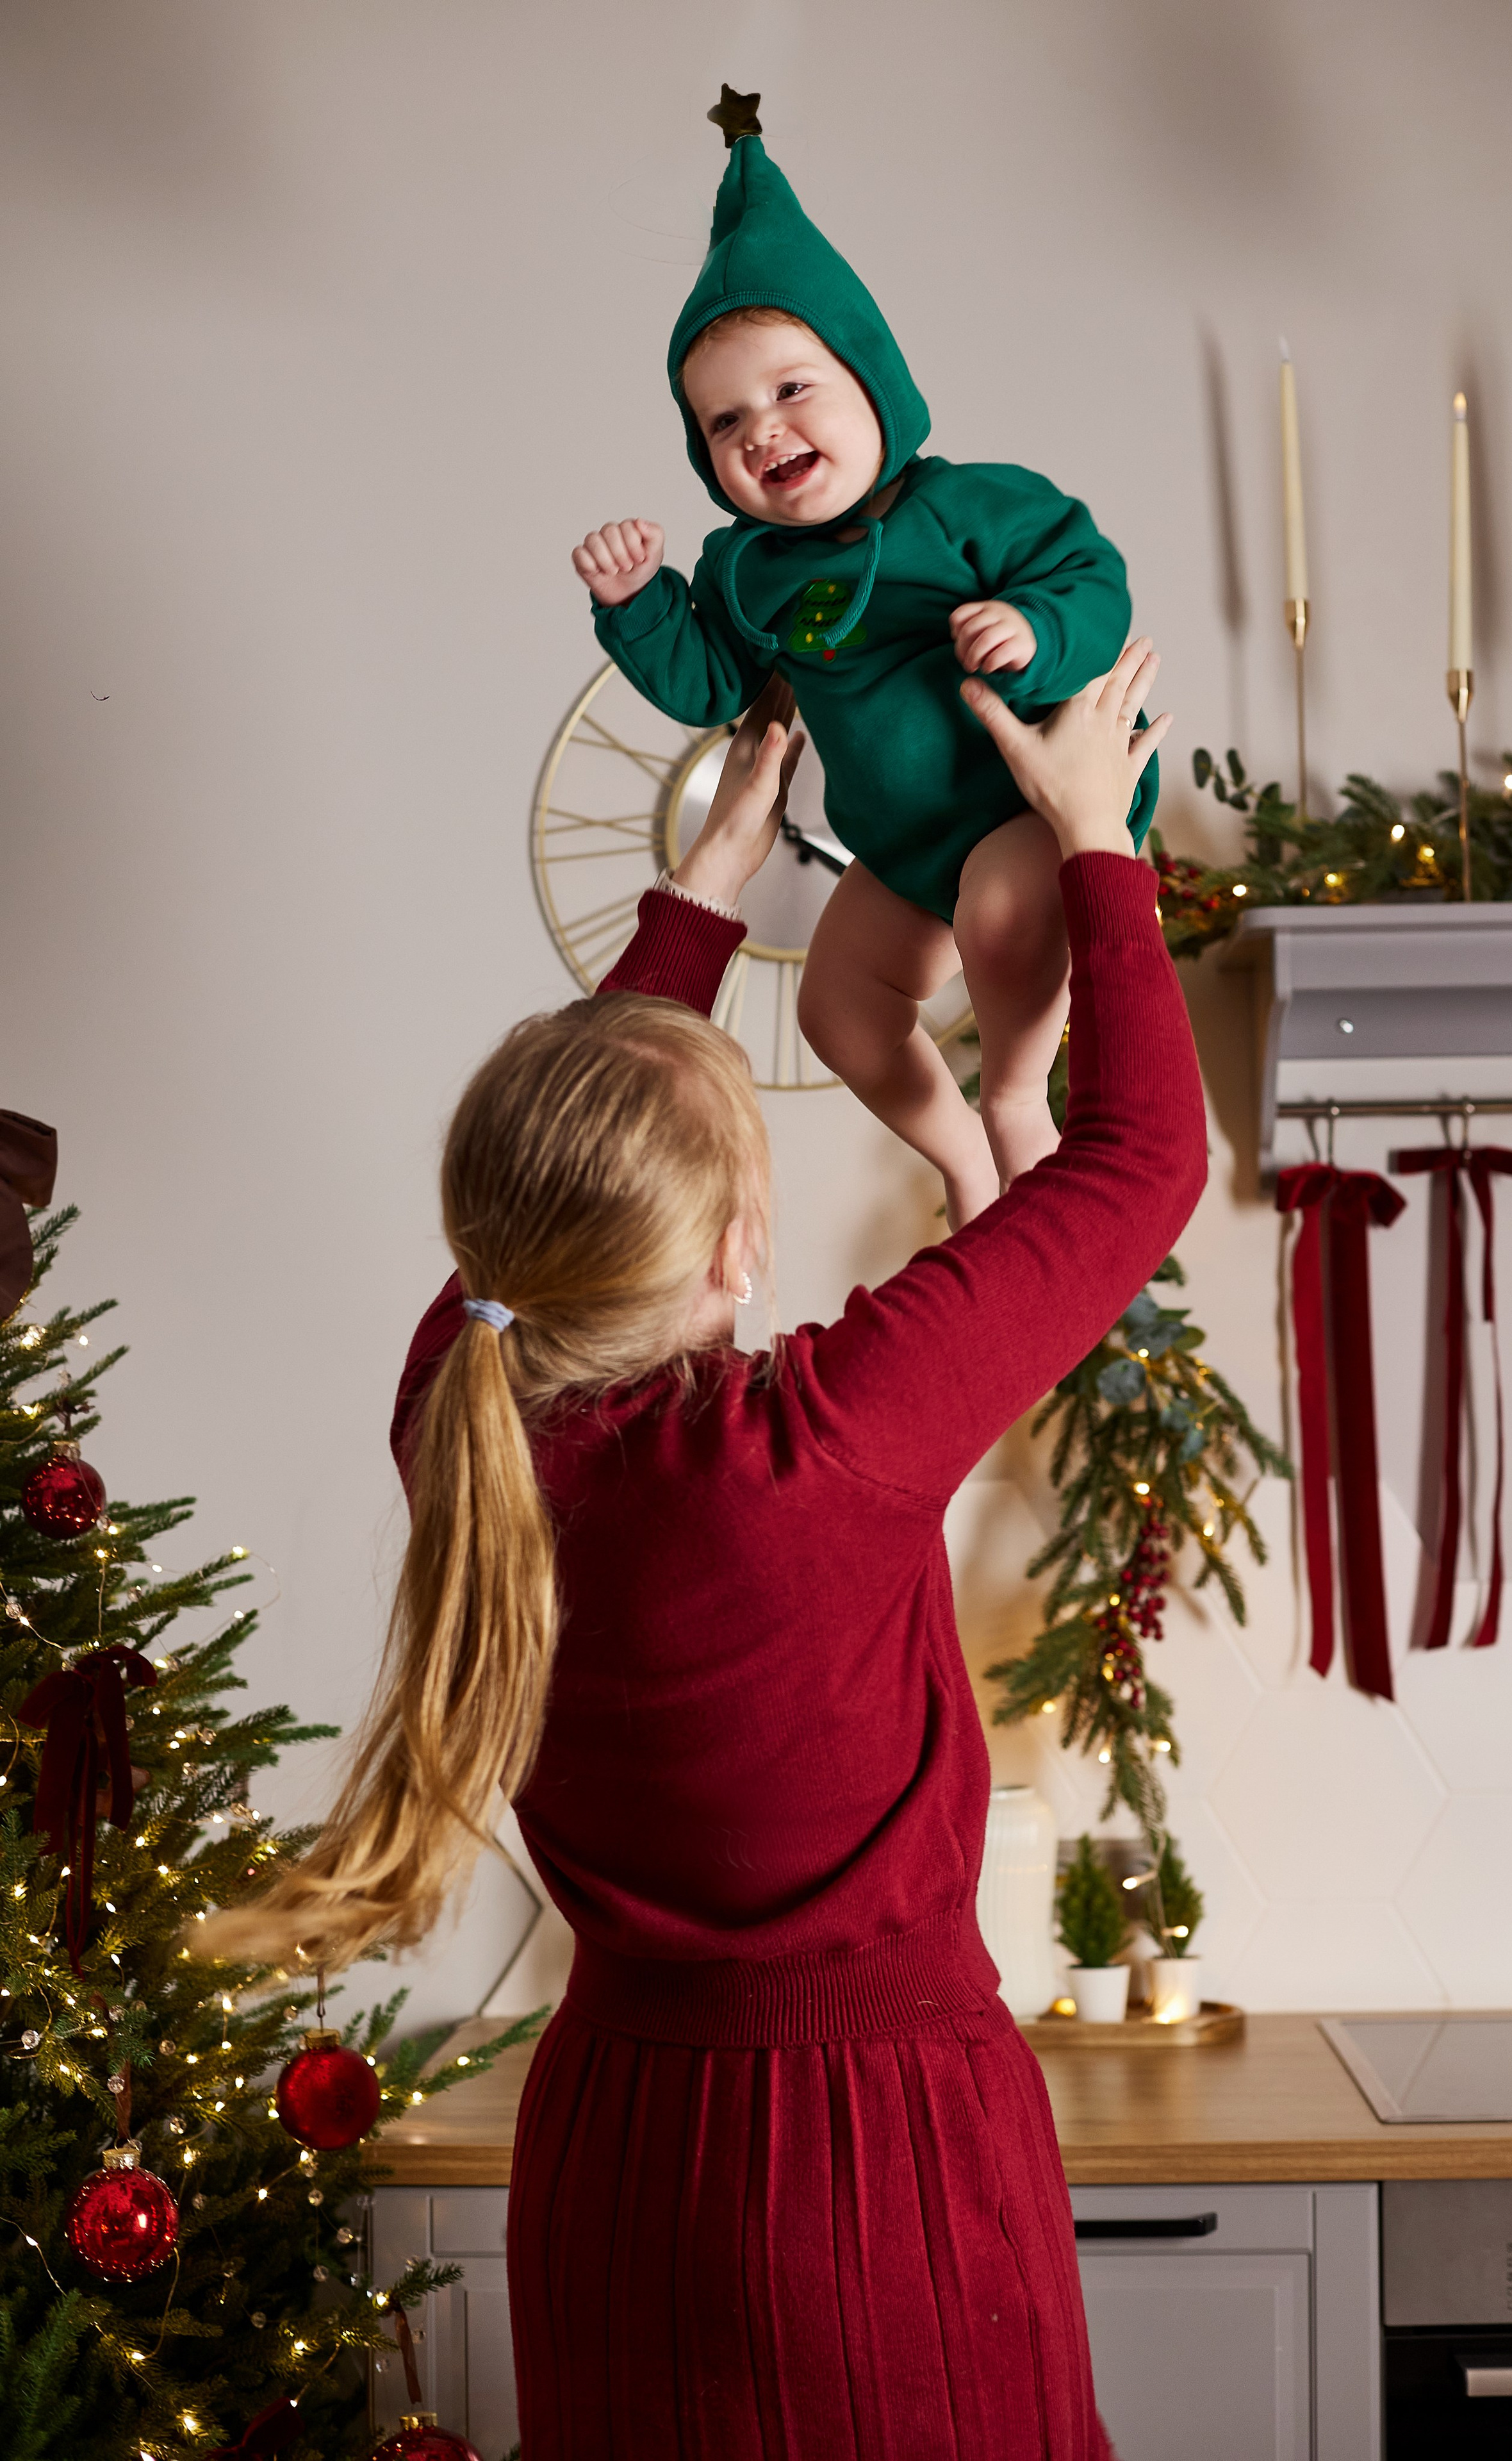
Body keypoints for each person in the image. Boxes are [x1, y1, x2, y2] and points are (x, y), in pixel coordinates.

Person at [202, 640, 1203, 2460]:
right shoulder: (811, 1443)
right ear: (741, 1245)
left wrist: (698, 894)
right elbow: (1140, 1166)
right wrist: (1092, 846)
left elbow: (557, 1191)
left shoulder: (463, 1410)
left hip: (614, 2152)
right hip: (871, 2166)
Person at [573, 105, 1156, 1227]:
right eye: (724, 420)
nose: (762, 429)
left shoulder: (974, 506)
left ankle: (1020, 1100)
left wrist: (1034, 626)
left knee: (997, 910)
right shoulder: (747, 572)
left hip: (1032, 812)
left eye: (795, 388)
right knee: (838, 1010)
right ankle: (966, 1162)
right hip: (900, 850)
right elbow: (712, 684)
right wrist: (636, 602)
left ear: (872, 382)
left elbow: (1094, 580)